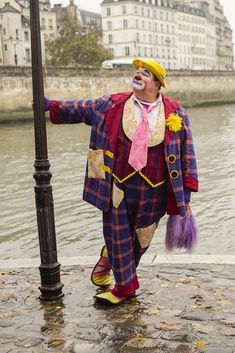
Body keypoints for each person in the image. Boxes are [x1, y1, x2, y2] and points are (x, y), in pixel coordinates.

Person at [44, 58, 199, 305]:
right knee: (117, 234)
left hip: (156, 191)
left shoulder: (177, 113)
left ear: (157, 84)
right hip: (116, 184)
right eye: (137, 71)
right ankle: (125, 287)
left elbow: (188, 155)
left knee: (141, 240)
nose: (138, 75)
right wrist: (50, 105)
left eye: (146, 73)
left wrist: (187, 196)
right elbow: (82, 108)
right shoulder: (113, 104)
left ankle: (109, 258)